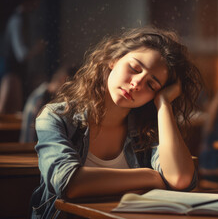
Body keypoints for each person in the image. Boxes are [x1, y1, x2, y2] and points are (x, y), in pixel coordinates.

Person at [30, 27, 202, 218]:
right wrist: (151, 176)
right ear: (113, 59)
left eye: (152, 84)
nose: (136, 83)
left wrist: (163, 104)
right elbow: (68, 183)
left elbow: (179, 178)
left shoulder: (147, 129)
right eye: (135, 68)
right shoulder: (55, 117)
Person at [0, 0, 46, 113]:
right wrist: (37, 48)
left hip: (15, 71)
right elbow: (21, 54)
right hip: (10, 72)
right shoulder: (17, 20)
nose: (37, 5)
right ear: (29, 0)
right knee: (8, 112)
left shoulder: (24, 19)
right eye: (36, 1)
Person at [19, 65, 77, 143]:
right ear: (64, 80)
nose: (71, 96)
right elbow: (30, 139)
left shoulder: (47, 96)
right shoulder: (39, 100)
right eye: (72, 88)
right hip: (32, 150)